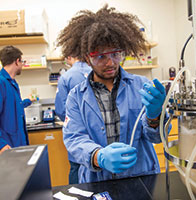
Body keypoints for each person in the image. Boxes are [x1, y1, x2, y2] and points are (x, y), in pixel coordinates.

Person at [58, 5, 168, 183]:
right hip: (97, 180)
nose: (111, 63)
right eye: (100, 56)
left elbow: (156, 137)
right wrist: (98, 156)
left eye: (116, 54)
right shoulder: (76, 97)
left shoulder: (142, 86)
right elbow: (74, 139)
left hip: (141, 177)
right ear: (87, 58)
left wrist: (155, 117)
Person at [0, 45, 32, 165]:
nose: (22, 65)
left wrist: (28, 101)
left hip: (15, 146)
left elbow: (14, 107)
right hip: (4, 148)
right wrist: (0, 145)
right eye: (22, 62)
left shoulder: (11, 83)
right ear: (17, 61)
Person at [55, 56, 91, 184]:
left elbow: (61, 110)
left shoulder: (66, 77)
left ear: (70, 57)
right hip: (100, 134)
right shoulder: (98, 71)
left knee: (76, 168)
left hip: (77, 134)